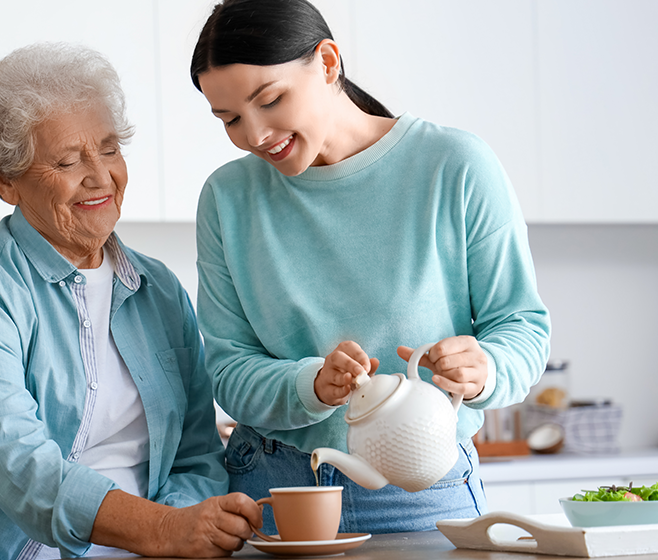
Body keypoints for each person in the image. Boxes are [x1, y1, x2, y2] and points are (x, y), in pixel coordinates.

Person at [0, 43, 260, 560]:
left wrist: (180, 531)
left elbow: (195, 458)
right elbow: (24, 468)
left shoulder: (160, 290)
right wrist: (163, 530)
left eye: (110, 148)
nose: (100, 177)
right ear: (4, 180)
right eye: (67, 161)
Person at [189, 0, 551, 535]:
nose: (256, 134)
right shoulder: (228, 198)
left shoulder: (455, 167)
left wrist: (487, 370)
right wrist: (311, 384)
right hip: (272, 488)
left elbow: (523, 327)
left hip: (424, 488)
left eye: (270, 100)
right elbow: (228, 369)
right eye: (231, 119)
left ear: (329, 63)